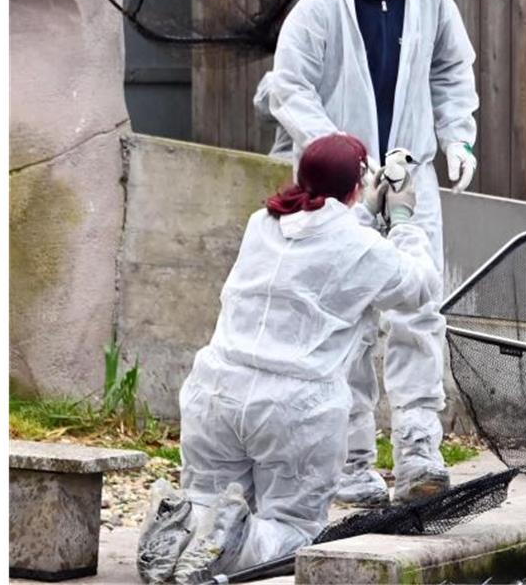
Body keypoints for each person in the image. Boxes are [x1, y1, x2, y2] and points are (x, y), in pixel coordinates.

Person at [253, 0, 479, 506]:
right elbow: (290, 87)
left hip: (410, 172)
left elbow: (452, 69)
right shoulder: (319, 10)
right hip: (345, 184)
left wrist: (457, 135)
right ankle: (352, 462)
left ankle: (418, 453)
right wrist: (334, 150)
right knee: (345, 318)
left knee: (418, 308)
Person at [137, 133, 439, 583]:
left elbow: (319, 229)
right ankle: (236, 542)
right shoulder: (363, 250)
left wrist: (359, 210)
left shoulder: (261, 221)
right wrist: (404, 219)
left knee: (204, 497)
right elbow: (420, 287)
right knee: (294, 529)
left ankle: (179, 530)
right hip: (295, 410)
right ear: (358, 184)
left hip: (216, 391)